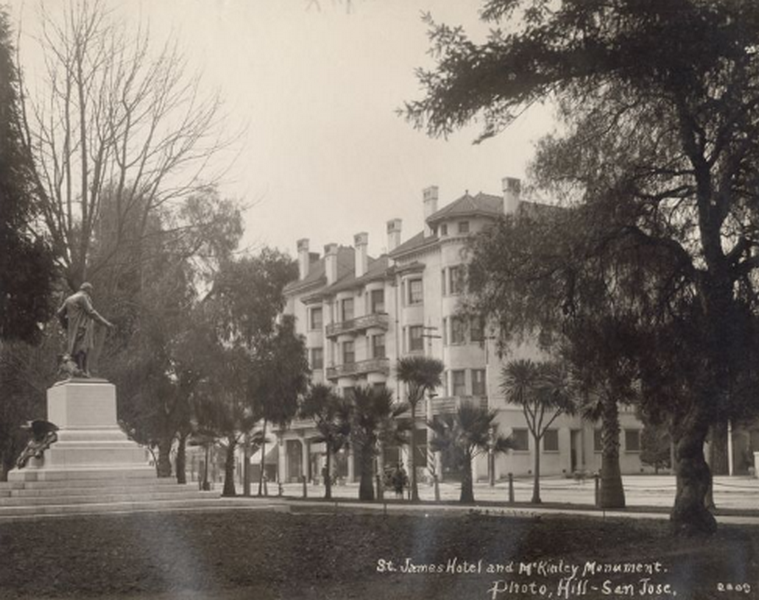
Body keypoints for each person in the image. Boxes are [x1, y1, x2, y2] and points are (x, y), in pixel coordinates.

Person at [57, 282, 115, 377]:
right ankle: (82, 370)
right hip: (83, 327)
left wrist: (66, 325)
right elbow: (91, 312)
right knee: (82, 348)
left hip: (73, 329)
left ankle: (81, 370)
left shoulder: (69, 299)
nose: (91, 293)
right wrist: (106, 323)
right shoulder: (82, 297)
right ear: (87, 290)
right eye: (90, 290)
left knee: (76, 348)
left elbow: (59, 313)